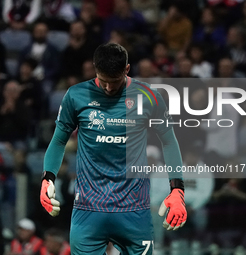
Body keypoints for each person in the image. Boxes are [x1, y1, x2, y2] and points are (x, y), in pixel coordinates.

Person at [40, 43, 187, 254]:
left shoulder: (148, 96)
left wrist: (177, 189)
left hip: (134, 211)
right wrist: (47, 178)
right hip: (88, 211)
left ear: (127, 69)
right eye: (104, 81)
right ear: (94, 69)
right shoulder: (76, 96)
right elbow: (58, 140)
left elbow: (169, 141)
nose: (109, 88)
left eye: (115, 81)